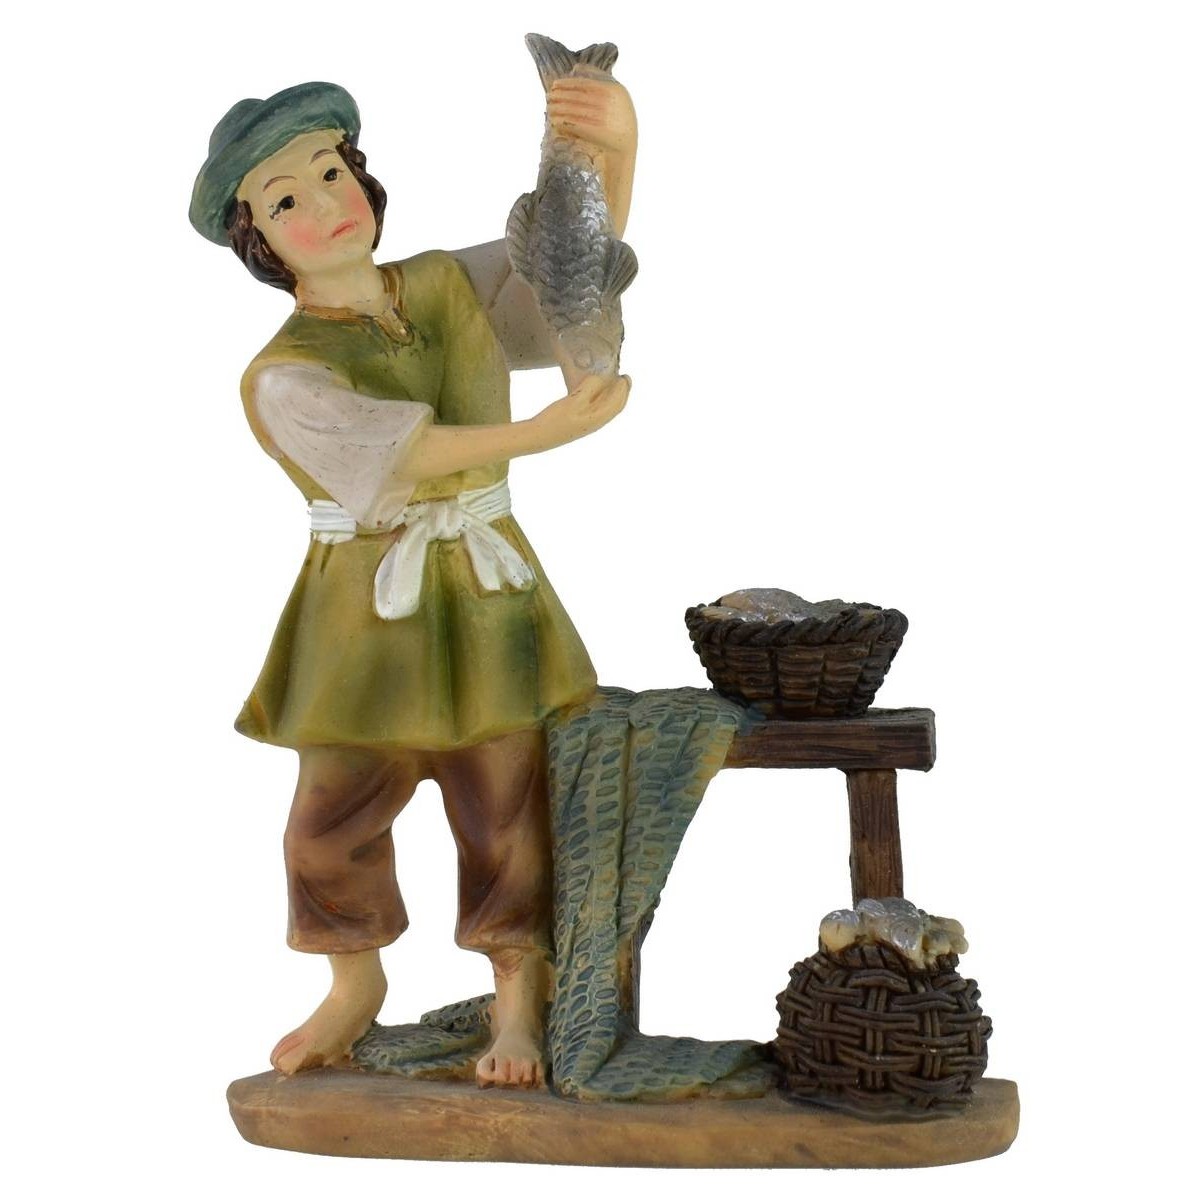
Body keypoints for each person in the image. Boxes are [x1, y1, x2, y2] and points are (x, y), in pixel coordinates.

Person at [189, 76, 636, 1086]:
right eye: (286, 200)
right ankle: (355, 981)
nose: (324, 203)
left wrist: (614, 153)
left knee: (507, 808)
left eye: (330, 172)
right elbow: (404, 452)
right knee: (328, 821)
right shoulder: (281, 375)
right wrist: (540, 434)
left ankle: (517, 1003)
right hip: (364, 619)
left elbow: (562, 275)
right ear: (259, 240)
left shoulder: (440, 283)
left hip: (486, 602)